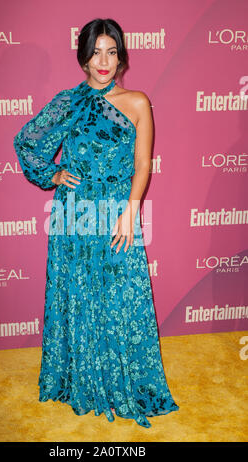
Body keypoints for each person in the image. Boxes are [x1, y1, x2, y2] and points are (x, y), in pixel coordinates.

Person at [13, 18, 179, 429]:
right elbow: (27, 140)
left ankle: (121, 381)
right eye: (95, 52)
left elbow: (143, 164)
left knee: (121, 298)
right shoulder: (68, 101)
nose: (103, 61)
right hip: (74, 215)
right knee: (79, 294)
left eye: (111, 51)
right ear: (83, 57)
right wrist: (50, 175)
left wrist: (131, 210)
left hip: (116, 214)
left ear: (121, 56)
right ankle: (81, 379)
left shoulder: (138, 101)